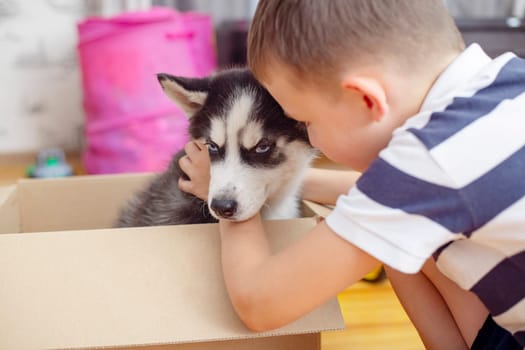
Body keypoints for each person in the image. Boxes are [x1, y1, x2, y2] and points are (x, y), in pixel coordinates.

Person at [177, 1, 525, 349]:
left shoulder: (429, 155)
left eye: (306, 120)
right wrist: (280, 180)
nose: (309, 137)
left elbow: (259, 304)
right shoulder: (505, 81)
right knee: (396, 237)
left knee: (387, 241)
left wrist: (227, 193)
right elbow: (430, 195)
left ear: (367, 100)